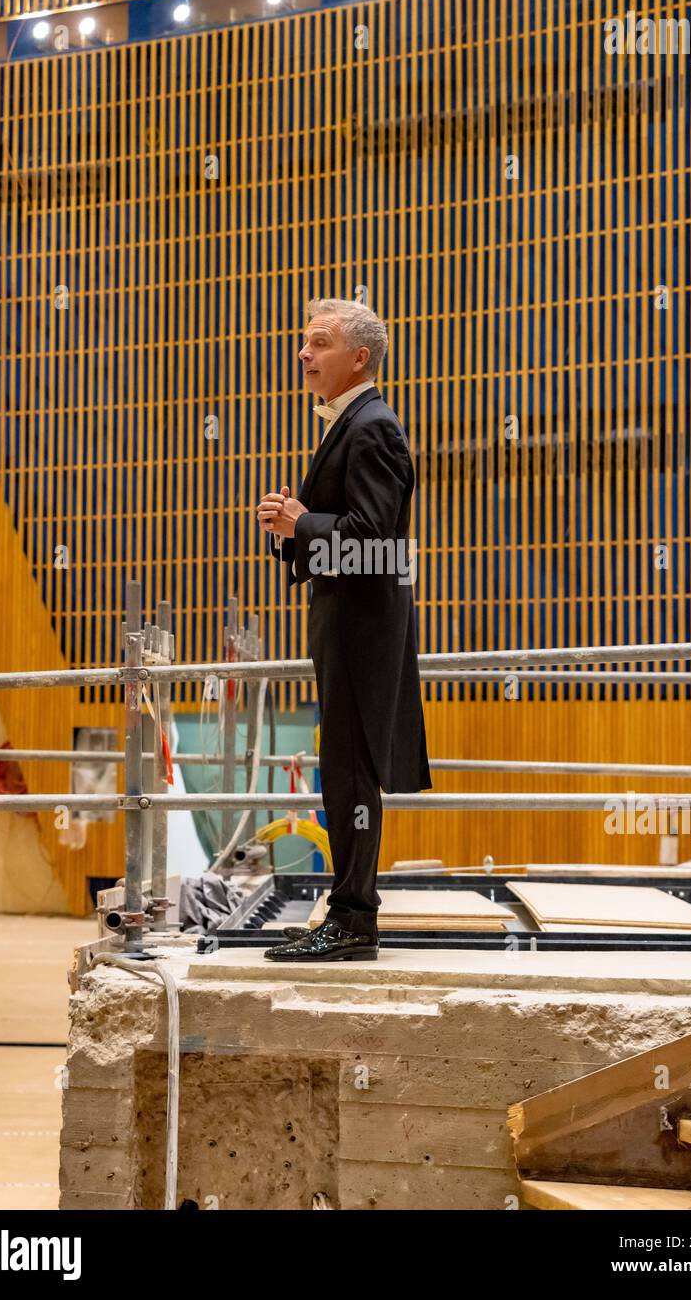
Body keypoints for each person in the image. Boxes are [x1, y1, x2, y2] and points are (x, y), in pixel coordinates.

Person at [256, 298, 431, 961]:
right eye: (304, 342)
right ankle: (347, 913)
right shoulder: (350, 424)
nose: (304, 353)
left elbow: (373, 539)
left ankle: (355, 922)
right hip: (343, 624)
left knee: (352, 774)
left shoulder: (374, 427)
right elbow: (347, 535)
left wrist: (303, 522)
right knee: (341, 770)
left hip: (362, 631)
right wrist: (291, 531)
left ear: (359, 358)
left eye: (319, 343)